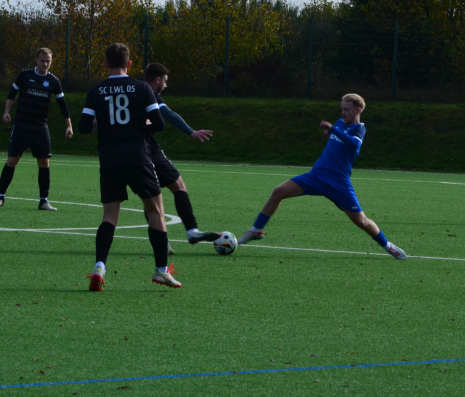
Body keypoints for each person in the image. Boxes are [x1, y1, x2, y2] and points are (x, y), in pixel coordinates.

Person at [237, 93, 407, 259]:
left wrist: (333, 130)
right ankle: (256, 230)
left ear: (358, 110)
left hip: (338, 183)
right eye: (342, 108)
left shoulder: (359, 129)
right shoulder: (340, 123)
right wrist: (330, 133)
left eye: (347, 109)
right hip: (317, 175)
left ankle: (388, 246)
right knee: (278, 191)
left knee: (362, 221)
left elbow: (354, 143)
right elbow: (338, 137)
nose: (343, 112)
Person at [80, 43, 181, 290]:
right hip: (138, 158)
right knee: (156, 211)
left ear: (106, 64)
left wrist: (102, 123)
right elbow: (159, 124)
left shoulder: (96, 91)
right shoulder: (142, 88)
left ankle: (99, 267)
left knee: (109, 216)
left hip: (109, 160)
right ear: (129, 64)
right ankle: (161, 270)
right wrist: (137, 125)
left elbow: (83, 127)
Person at [142, 62, 220, 254]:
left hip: (130, 150)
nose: (166, 85)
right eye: (165, 81)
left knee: (150, 197)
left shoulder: (134, 91)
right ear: (158, 80)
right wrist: (190, 131)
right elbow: (168, 114)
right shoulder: (150, 94)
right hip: (148, 149)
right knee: (178, 186)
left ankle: (162, 243)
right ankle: (192, 231)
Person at [0, 48, 71, 211]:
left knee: (44, 163)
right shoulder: (25, 75)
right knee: (12, 161)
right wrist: (6, 112)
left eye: (48, 61)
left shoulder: (53, 81)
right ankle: (0, 197)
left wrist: (69, 125)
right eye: (42, 61)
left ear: (51, 61)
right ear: (36, 60)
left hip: (41, 128)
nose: (45, 64)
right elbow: (12, 94)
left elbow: (62, 104)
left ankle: (43, 201)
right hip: (22, 126)